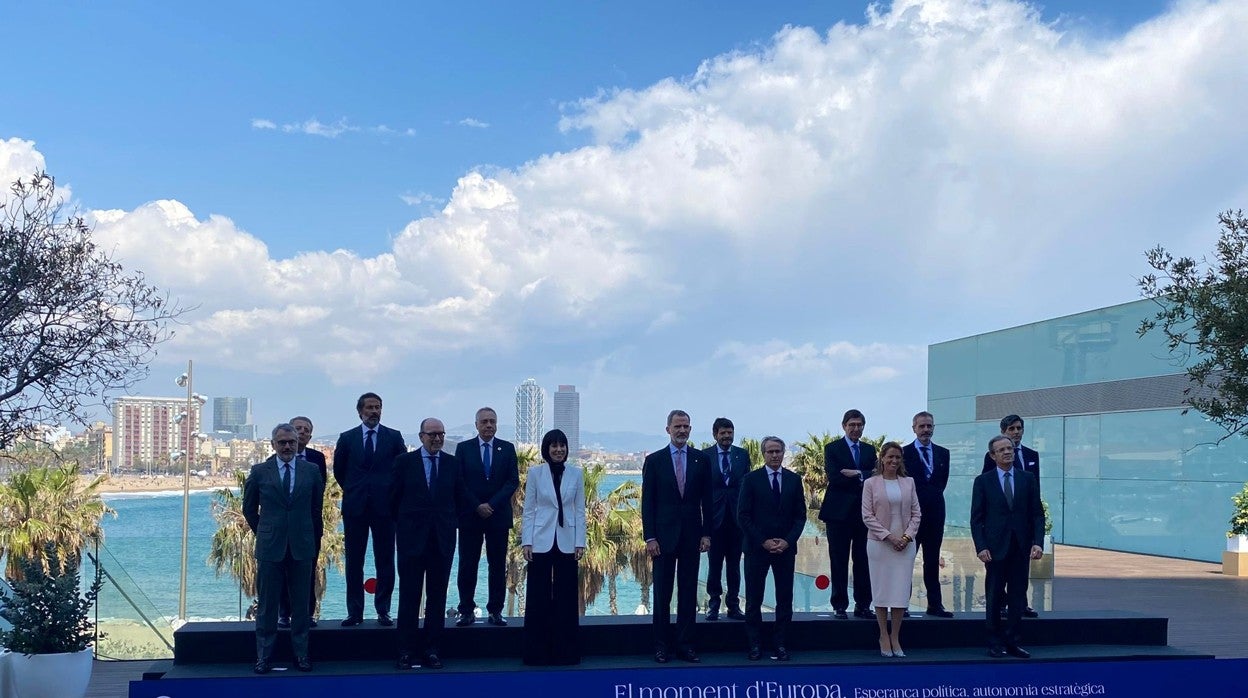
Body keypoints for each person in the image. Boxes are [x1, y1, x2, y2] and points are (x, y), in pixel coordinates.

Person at [243, 423, 324, 674]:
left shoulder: (311, 471)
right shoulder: (259, 472)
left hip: (302, 545)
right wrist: (265, 531)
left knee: (301, 605)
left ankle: (301, 655)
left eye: (291, 442)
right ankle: (263, 657)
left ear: (298, 443)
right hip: (270, 547)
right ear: (273, 445)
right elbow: (249, 509)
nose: (287, 446)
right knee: (267, 605)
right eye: (282, 442)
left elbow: (315, 510)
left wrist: (310, 537)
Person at [392, 418, 469, 670]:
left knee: (437, 597)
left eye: (441, 434)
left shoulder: (452, 463)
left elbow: (460, 498)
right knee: (409, 596)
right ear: (421, 436)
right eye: (432, 434)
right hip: (411, 540)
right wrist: (404, 529)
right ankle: (405, 651)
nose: (437, 438)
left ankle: (432, 650)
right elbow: (394, 499)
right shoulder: (404, 462)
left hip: (442, 541)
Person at [641, 409, 712, 663]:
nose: (682, 430)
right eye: (677, 426)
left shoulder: (701, 460)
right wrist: (650, 537)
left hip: (692, 537)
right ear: (668, 429)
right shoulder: (655, 461)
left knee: (688, 592)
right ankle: (661, 646)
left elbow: (708, 501)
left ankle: (685, 645)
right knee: (662, 594)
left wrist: (706, 534)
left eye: (686, 426)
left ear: (690, 429)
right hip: (662, 538)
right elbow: (647, 502)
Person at [333, 392, 407, 627]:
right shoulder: (347, 438)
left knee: (385, 559)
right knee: (354, 561)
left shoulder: (393, 437)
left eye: (378, 407)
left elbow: (402, 469)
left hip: (385, 508)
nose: (374, 411)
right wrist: (356, 491)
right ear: (360, 411)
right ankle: (354, 612)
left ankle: (383, 610)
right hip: (355, 508)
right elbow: (339, 471)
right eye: (370, 407)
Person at [971, 435, 1045, 659]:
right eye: (1001, 450)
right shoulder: (983, 481)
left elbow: (1036, 514)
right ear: (993, 455)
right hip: (994, 549)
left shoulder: (1027, 479)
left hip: (1020, 547)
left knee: (1017, 596)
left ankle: (1013, 642)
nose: (1007, 452)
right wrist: (981, 546)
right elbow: (976, 518)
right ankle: (994, 642)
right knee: (994, 596)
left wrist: (1037, 542)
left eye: (1010, 449)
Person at [520, 429, 586, 665]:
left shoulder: (576, 474)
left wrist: (581, 542)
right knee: (538, 596)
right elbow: (528, 510)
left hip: (568, 540)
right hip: (540, 539)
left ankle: (566, 652)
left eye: (562, 446)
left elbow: (579, 510)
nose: (559, 450)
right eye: (554, 446)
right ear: (546, 448)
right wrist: (526, 541)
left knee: (566, 597)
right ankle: (536, 653)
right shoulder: (536, 473)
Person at [737, 436, 805, 662]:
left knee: (784, 598)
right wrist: (763, 541)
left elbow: (800, 517)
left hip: (785, 549)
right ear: (764, 454)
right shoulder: (751, 479)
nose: (775, 455)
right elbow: (743, 516)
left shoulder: (794, 480)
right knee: (754, 599)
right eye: (770, 452)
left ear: (784, 453)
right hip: (757, 549)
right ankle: (755, 645)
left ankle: (781, 644)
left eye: (778, 451)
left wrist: (787, 541)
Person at [453, 407, 520, 627]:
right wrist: (477, 505)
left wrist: (491, 505)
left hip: (497, 515)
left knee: (497, 566)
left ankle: (495, 611)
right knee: (467, 565)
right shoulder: (464, 449)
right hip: (470, 517)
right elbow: (459, 482)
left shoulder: (507, 449)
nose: (488, 425)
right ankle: (466, 610)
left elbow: (512, 481)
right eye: (484, 422)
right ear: (476, 425)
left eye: (492, 421)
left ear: (497, 424)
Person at [862, 442, 921, 658]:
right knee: (881, 590)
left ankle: (895, 635)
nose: (894, 461)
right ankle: (883, 635)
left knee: (899, 592)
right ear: (882, 459)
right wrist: (889, 537)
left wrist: (905, 537)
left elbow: (917, 514)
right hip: (879, 544)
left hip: (905, 546)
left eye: (897, 457)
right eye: (890, 457)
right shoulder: (871, 483)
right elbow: (867, 516)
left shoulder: (909, 482)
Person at [980, 414, 1040, 618]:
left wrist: (1036, 537)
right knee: (997, 581)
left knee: (1020, 575)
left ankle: (1021, 604)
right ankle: (1001, 610)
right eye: (1012, 429)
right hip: (999, 532)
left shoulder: (1032, 456)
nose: (1016, 432)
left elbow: (1035, 495)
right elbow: (987, 493)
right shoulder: (991, 461)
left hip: (1021, 527)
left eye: (1019, 428)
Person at [818, 409, 875, 619]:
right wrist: (863, 475)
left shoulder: (869, 450)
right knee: (839, 560)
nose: (855, 428)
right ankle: (839, 605)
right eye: (852, 425)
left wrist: (857, 473)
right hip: (838, 514)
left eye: (859, 425)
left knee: (863, 560)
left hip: (864, 514)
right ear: (844, 426)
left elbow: (875, 476)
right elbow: (835, 477)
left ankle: (863, 605)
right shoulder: (832, 448)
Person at [278, 415, 328, 629]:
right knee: (282, 570)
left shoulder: (318, 459)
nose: (302, 432)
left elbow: (320, 490)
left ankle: (307, 614)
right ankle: (283, 613)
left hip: (310, 525)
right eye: (298, 428)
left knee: (308, 569)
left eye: (307, 430)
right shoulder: (275, 459)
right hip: (282, 527)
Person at [902, 411, 952, 618]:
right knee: (906, 560)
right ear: (913, 428)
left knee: (932, 560)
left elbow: (941, 483)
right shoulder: (904, 453)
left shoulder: (943, 453)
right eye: (921, 426)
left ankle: (935, 605)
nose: (926, 430)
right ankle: (902, 604)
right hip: (911, 516)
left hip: (935, 514)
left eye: (929, 426)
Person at [702, 417, 750, 622]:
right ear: (715, 434)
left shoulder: (742, 455)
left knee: (733, 566)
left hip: (736, 520)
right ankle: (713, 604)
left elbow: (747, 486)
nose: (727, 436)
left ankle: (733, 605)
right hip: (714, 520)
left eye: (730, 432)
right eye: (723, 433)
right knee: (714, 565)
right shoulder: (705, 457)